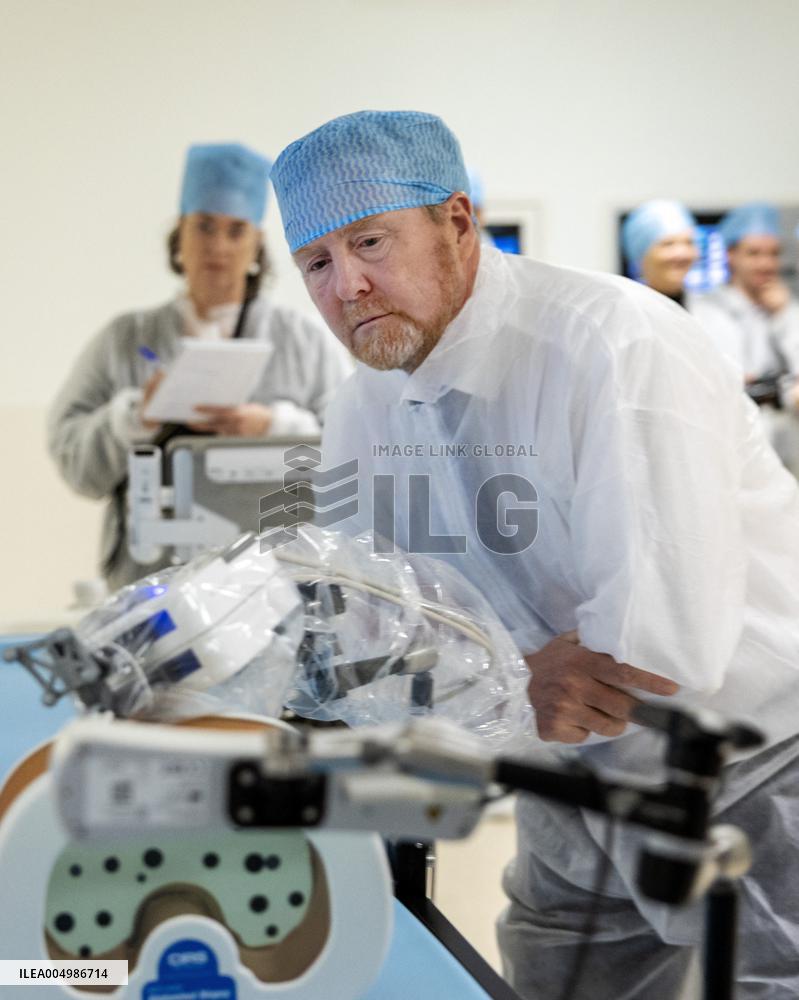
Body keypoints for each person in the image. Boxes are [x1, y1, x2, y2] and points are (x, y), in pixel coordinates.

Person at [271, 110, 799, 999]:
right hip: (566, 769)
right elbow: (362, 626)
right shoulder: (365, 406)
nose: (349, 285)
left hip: (756, 764)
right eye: (317, 263)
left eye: (371, 241)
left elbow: (659, 650)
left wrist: (477, 682)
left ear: (458, 221)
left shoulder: (610, 343)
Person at [48, 143, 351, 588]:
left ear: (256, 244)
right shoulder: (125, 341)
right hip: (149, 580)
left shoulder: (305, 341)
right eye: (204, 227)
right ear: (180, 235)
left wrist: (273, 427)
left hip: (279, 581)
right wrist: (135, 418)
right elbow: (73, 459)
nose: (218, 247)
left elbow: (351, 455)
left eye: (235, 231)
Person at [689, 202, 799, 471]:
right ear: (730, 254)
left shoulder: (787, 309)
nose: (766, 263)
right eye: (754, 253)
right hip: (729, 442)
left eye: (773, 254)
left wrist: (785, 314)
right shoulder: (704, 310)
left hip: (784, 444)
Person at [621, 199, 698, 305]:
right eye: (668, 244)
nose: (682, 253)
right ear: (640, 255)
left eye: (689, 243)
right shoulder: (624, 311)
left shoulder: (713, 313)